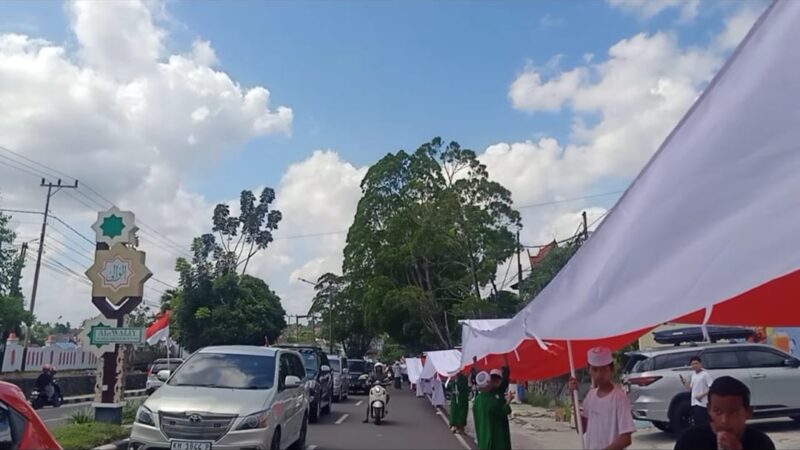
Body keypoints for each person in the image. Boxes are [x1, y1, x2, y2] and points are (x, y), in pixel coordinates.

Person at [674, 376, 775, 450]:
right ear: (709, 410)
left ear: (748, 412)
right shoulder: (690, 440)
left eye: (733, 412)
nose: (724, 420)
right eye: (717, 411)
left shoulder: (761, 443)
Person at [568, 346, 635, 450]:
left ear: (611, 369)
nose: (599, 374)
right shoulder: (590, 396)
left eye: (604, 369)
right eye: (595, 369)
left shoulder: (620, 398)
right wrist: (573, 396)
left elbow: (626, 439)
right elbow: (581, 429)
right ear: (588, 370)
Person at [472, 365, 513, 450]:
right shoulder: (491, 400)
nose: (495, 380)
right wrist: (508, 401)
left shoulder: (477, 400)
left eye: (497, 378)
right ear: (489, 381)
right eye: (493, 378)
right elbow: (503, 412)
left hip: (483, 436)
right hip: (495, 438)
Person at [680, 356, 713, 426]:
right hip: (694, 403)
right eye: (693, 364)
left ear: (700, 364)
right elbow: (691, 388)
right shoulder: (694, 375)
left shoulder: (705, 375)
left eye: (696, 363)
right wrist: (684, 383)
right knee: (697, 422)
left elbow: (712, 388)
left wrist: (701, 395)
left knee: (704, 422)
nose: (694, 365)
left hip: (703, 403)